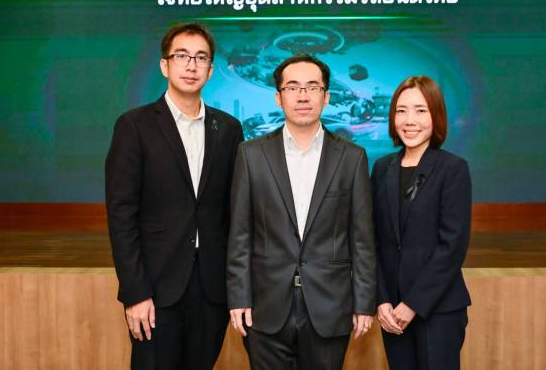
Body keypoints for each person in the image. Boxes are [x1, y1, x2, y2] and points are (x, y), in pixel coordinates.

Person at [105, 22, 243, 369]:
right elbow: (121, 215)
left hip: (211, 288)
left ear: (211, 70)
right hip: (155, 287)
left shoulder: (228, 129)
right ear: (164, 65)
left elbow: (234, 212)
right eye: (182, 56)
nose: (191, 65)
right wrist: (135, 292)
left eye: (200, 58)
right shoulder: (134, 126)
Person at [227, 54, 376, 370]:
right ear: (278, 98)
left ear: (326, 96)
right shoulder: (251, 155)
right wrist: (239, 297)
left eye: (312, 87)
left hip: (330, 306)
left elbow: (362, 238)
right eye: (293, 87)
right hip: (265, 306)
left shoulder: (352, 158)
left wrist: (364, 302)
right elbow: (240, 233)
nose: (303, 96)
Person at [372, 76, 472, 370]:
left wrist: (412, 304)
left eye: (420, 110)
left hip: (437, 308)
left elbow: (452, 246)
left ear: (435, 116)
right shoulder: (382, 168)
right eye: (401, 111)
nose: (409, 120)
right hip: (391, 312)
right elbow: (372, 240)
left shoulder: (452, 169)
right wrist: (381, 300)